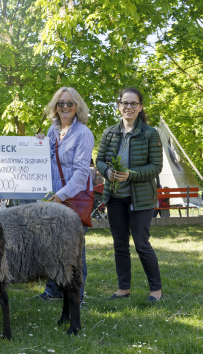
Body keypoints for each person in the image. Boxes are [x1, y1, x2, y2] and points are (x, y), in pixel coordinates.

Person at [96, 87, 163, 302]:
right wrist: (107, 171)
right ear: (119, 106)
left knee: (141, 244)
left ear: (140, 107)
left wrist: (130, 175)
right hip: (115, 198)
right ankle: (123, 289)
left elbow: (156, 167)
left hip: (141, 199)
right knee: (120, 245)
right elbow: (99, 161)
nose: (129, 107)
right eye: (125, 103)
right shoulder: (109, 133)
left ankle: (156, 290)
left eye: (134, 104)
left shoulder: (150, 133)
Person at [35, 87, 93, 303]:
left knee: (75, 249)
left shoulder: (84, 134)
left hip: (71, 197)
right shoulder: (52, 131)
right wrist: (38, 143)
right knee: (51, 245)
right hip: (53, 198)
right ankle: (53, 290)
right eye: (61, 103)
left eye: (70, 103)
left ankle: (77, 295)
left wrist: (60, 195)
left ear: (77, 106)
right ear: (55, 107)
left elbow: (80, 173)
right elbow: (46, 161)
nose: (65, 107)